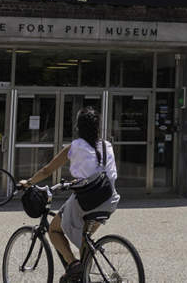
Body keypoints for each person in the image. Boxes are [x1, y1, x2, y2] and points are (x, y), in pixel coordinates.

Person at [20, 107, 119, 282]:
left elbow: (47, 170)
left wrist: (28, 183)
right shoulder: (107, 145)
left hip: (88, 200)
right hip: (109, 200)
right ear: (98, 127)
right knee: (84, 238)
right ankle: (83, 275)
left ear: (78, 127)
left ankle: (74, 265)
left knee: (54, 230)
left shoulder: (75, 146)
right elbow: (101, 173)